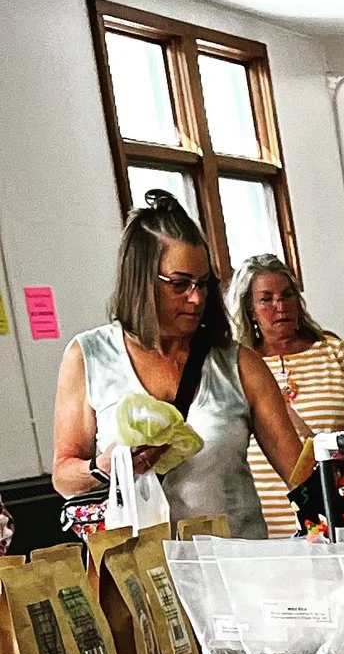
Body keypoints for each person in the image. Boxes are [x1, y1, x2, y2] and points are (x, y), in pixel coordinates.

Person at [50, 194, 314, 538]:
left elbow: (302, 478)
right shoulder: (89, 356)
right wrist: (108, 467)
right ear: (141, 280)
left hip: (237, 570)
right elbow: (63, 475)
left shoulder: (238, 364)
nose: (196, 298)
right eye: (179, 284)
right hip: (142, 575)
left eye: (203, 283)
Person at [232, 255, 344, 534]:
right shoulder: (238, 366)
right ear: (250, 309)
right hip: (262, 529)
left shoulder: (333, 352)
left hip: (332, 518)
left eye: (287, 295)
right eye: (266, 299)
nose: (280, 306)